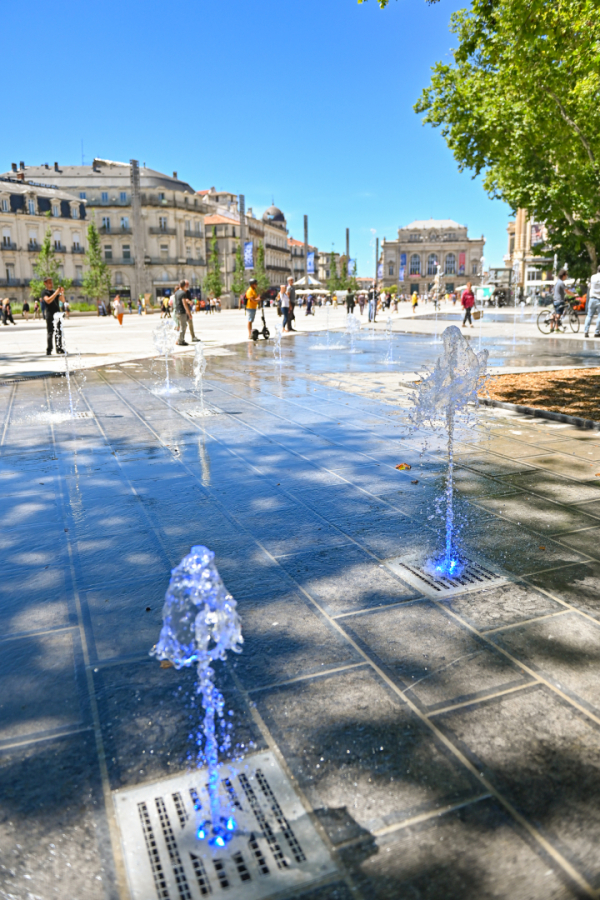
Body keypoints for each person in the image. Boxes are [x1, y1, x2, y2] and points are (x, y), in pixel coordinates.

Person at [40, 278, 64, 354]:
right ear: (45, 283)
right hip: (50, 314)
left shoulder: (54, 292)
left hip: (57, 314)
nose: (51, 283)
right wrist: (56, 293)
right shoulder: (44, 292)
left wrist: (61, 293)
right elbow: (48, 300)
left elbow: (62, 300)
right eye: (49, 282)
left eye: (51, 282)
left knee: (59, 332)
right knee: (50, 332)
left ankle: (59, 348)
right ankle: (49, 349)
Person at [584, 265, 600, 338]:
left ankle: (586, 331)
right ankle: (596, 332)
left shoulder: (593, 277)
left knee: (589, 315)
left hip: (592, 298)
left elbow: (590, 285)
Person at [173, 280, 190, 345]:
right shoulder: (183, 293)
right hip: (182, 312)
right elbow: (184, 304)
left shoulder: (176, 292)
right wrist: (188, 313)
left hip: (177, 312)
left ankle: (179, 339)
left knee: (182, 326)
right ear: (184, 285)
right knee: (183, 327)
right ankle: (181, 341)